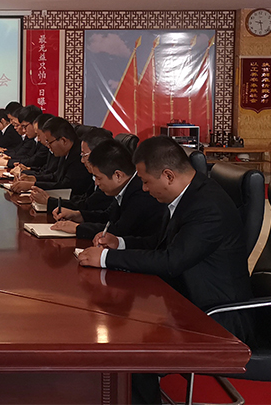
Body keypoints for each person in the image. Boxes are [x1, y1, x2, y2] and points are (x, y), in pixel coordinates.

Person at [78, 136, 254, 404]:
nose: (144, 189)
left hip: (215, 316)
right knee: (117, 321)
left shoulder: (208, 207)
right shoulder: (188, 195)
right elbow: (159, 244)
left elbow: (171, 261)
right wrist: (119, 243)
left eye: (146, 182)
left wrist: (106, 258)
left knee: (128, 346)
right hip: (184, 299)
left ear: (168, 176)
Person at [50, 139, 165, 239]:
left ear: (118, 175)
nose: (96, 183)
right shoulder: (125, 187)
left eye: (98, 178)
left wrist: (78, 228)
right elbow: (107, 216)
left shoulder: (141, 193)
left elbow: (120, 230)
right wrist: (77, 215)